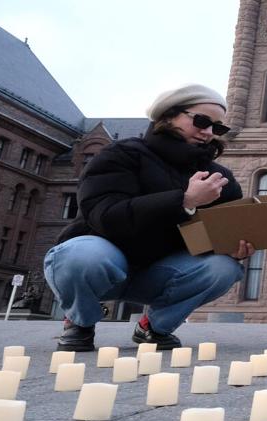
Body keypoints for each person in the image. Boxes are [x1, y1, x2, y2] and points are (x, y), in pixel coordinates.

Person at [44, 84, 252, 351]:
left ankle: (153, 328)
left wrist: (233, 247)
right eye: (201, 121)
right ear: (168, 116)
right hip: (104, 262)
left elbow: (214, 236)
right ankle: (79, 322)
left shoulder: (218, 178)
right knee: (80, 255)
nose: (209, 132)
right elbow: (105, 215)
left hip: (160, 273)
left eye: (218, 128)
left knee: (224, 267)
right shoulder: (121, 154)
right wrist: (185, 201)